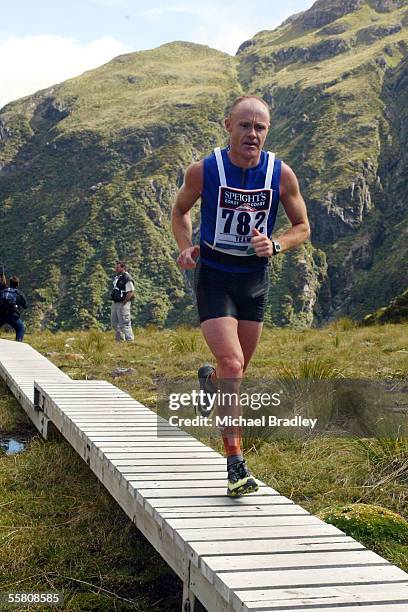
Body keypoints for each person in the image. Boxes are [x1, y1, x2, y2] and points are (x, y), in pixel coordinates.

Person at [172, 95, 311, 496]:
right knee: (233, 363)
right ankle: (235, 464)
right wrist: (184, 246)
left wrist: (277, 244)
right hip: (214, 277)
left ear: (267, 131)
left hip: (254, 281)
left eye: (260, 127)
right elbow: (180, 211)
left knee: (235, 371)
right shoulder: (205, 170)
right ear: (228, 125)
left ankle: (209, 382)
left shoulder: (280, 174)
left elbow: (302, 226)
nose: (252, 134)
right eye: (245, 125)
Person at [110, 261, 135, 342]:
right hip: (116, 303)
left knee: (125, 322)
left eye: (118, 267)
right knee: (115, 323)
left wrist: (124, 302)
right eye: (116, 267)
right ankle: (119, 340)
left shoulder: (127, 278)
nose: (116, 269)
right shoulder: (118, 277)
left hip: (123, 303)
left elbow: (130, 292)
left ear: (123, 268)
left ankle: (130, 340)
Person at [0, 275, 28, 342]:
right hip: (12, 316)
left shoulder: (2, 291)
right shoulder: (19, 294)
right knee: (21, 328)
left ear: (10, 283)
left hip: (1, 314)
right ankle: (18, 342)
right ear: (17, 284)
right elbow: (25, 306)